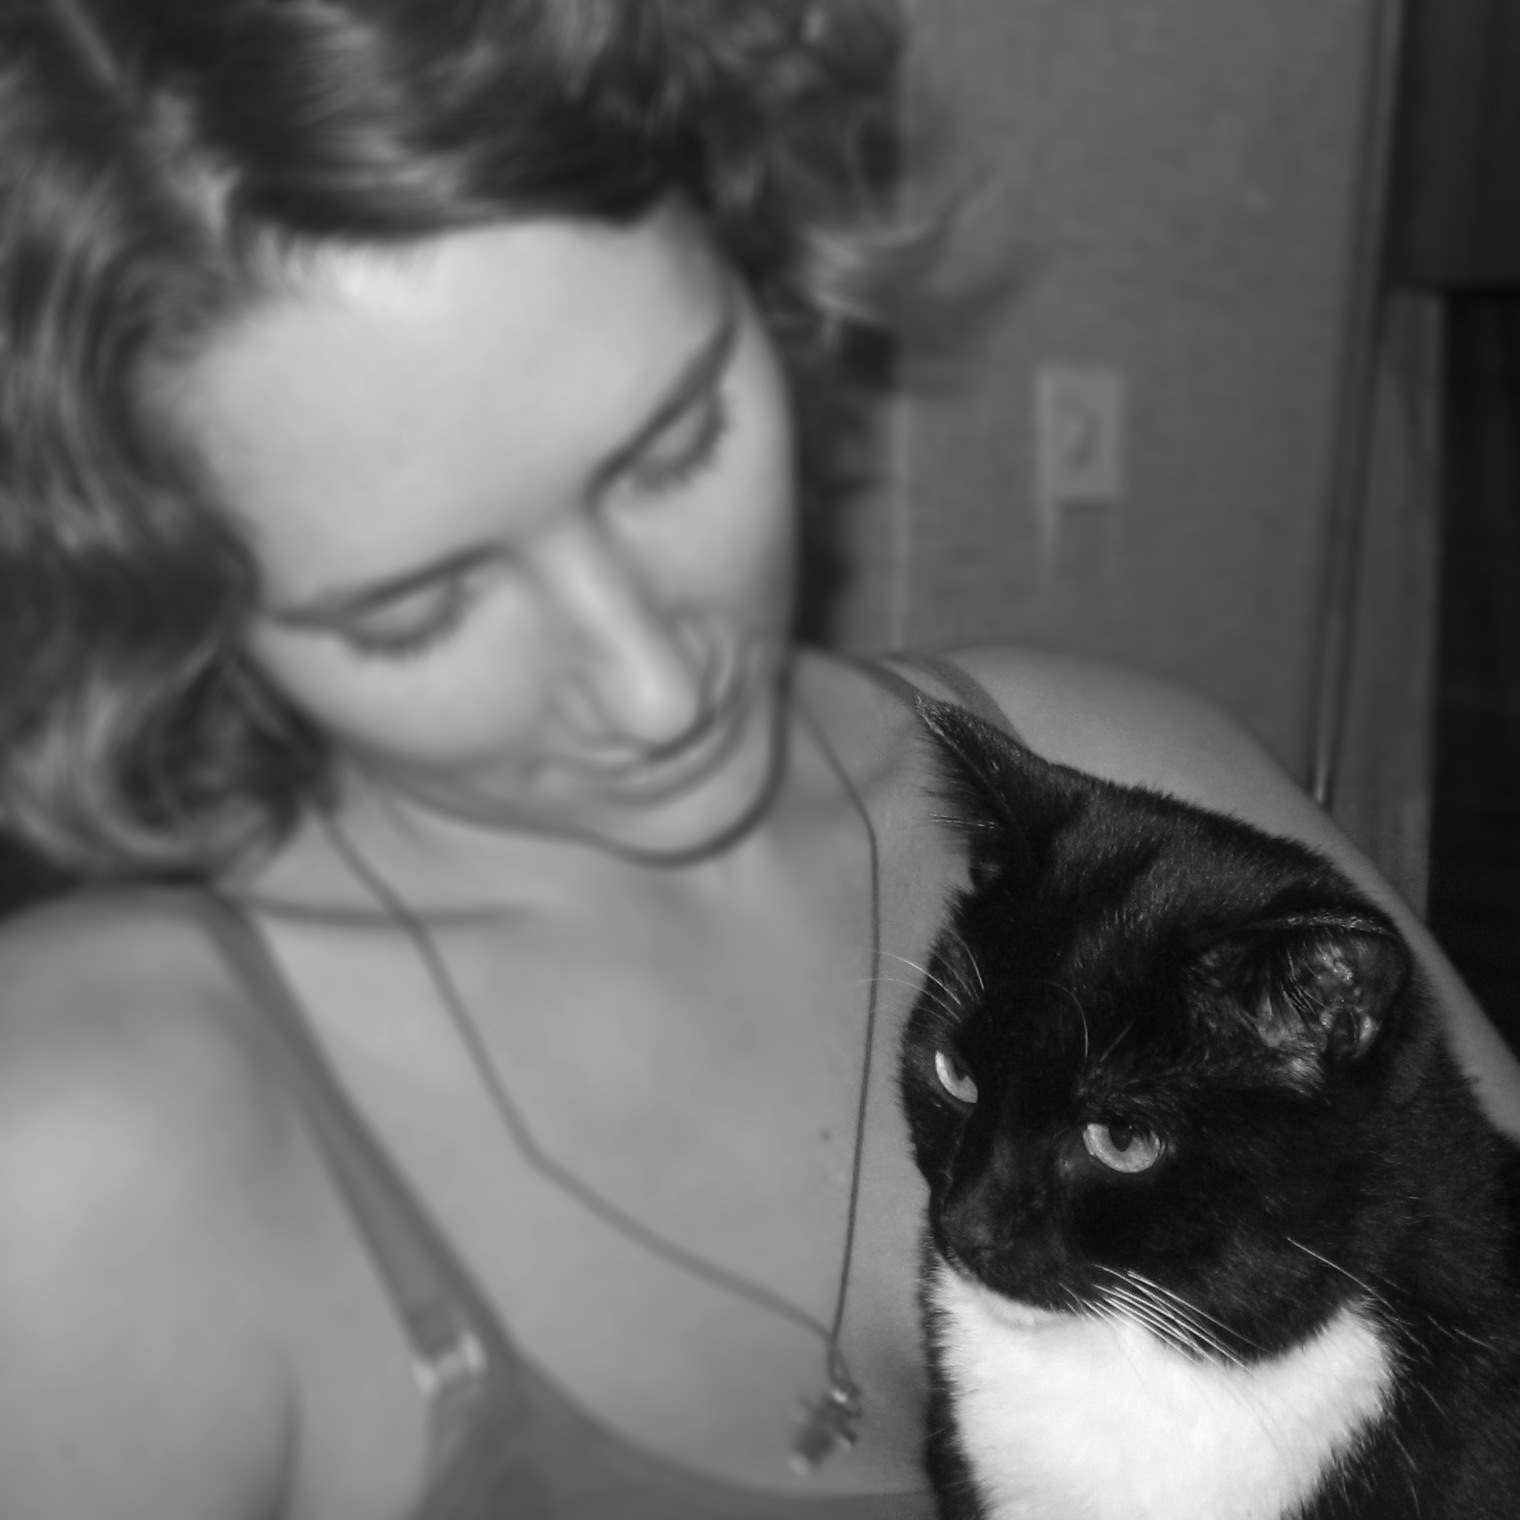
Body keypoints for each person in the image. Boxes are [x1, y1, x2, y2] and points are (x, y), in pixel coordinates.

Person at [2, 2, 1518, 1517]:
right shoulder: (83, 1148)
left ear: (760, 275)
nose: (658, 685)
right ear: (164, 602)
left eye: (673, 447)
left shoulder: (1121, 777)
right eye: (421, 608)